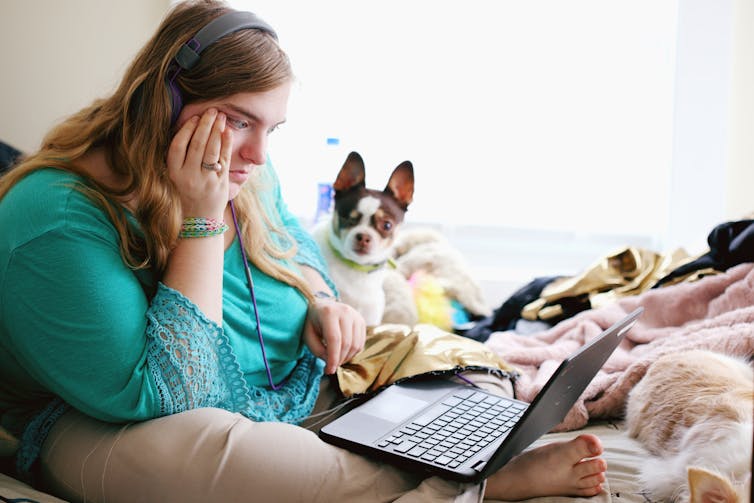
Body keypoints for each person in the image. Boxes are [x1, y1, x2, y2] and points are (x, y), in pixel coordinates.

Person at [0, 1, 608, 501]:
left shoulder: (243, 164)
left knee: (462, 364)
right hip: (120, 424)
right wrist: (203, 219)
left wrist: (323, 301)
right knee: (236, 465)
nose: (260, 156)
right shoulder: (53, 218)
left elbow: (297, 248)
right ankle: (473, 478)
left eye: (273, 129)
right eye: (240, 121)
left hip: (297, 384)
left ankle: (455, 455)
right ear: (167, 102)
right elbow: (173, 394)